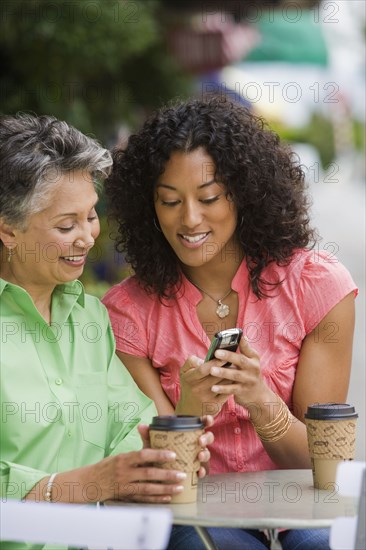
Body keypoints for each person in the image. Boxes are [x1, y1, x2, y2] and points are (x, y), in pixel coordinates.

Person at [102, 96, 358, 549]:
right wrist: (192, 412)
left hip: (304, 506)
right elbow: (160, 477)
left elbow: (327, 469)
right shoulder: (128, 313)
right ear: (149, 207)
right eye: (169, 201)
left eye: (209, 197)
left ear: (244, 192)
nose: (190, 219)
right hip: (197, 511)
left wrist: (261, 402)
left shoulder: (315, 285)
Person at [0, 113, 214, 550]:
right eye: (66, 226)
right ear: (8, 230)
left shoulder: (90, 318)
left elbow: (125, 426)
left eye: (91, 216)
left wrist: (158, 456)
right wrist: (85, 484)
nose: (87, 237)